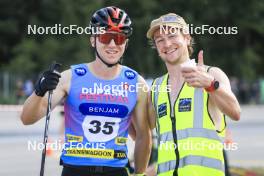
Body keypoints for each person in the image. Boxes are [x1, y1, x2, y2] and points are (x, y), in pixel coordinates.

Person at [20, 6, 151, 176]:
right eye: (105, 37)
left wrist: (139, 174)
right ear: (93, 40)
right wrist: (39, 91)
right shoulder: (70, 78)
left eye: (119, 38)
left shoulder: (136, 83)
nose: (112, 44)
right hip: (75, 170)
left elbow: (143, 136)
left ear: (125, 43)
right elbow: (27, 118)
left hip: (116, 171)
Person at [146, 13, 241, 176]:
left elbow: (235, 112)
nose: (167, 44)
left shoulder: (212, 74)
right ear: (156, 47)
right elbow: (145, 131)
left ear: (187, 38)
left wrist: (211, 85)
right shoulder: (156, 87)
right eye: (160, 40)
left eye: (172, 35)